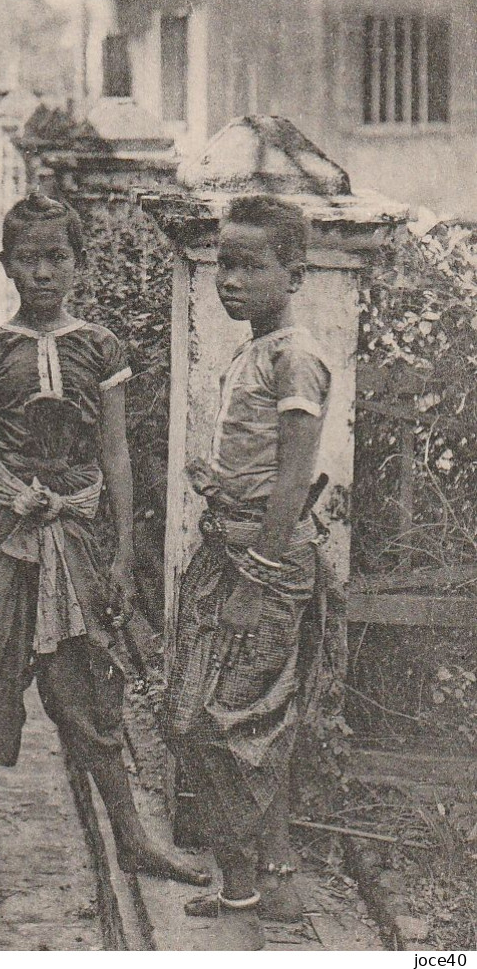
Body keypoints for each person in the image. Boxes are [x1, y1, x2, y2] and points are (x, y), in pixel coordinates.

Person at [0, 194, 209, 889]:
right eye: (27, 258)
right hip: (4, 530)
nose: (41, 272)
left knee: (85, 683)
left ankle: (130, 835)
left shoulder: (100, 347)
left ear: (79, 263)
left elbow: (115, 453)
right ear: (5, 265)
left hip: (78, 530)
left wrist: (122, 552)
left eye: (56, 256)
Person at [161, 195, 333, 944]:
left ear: (291, 274)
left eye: (248, 264)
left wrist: (258, 572)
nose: (228, 277)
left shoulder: (296, 354)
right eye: (223, 261)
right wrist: (218, 482)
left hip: (263, 563)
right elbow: (260, 463)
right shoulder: (255, 349)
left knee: (232, 721)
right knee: (218, 715)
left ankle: (255, 892)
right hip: (230, 546)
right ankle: (263, 882)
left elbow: (294, 478)